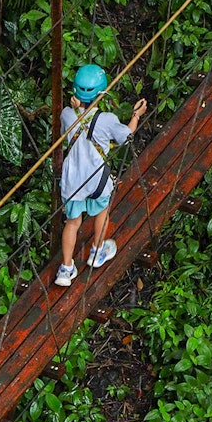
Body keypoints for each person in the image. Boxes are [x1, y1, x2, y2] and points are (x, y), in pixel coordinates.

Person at [55, 64, 147, 287]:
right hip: (96, 178)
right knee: (102, 210)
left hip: (72, 179)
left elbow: (64, 133)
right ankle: (97, 250)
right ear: (102, 93)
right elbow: (126, 136)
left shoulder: (66, 114)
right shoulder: (106, 119)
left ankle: (66, 269)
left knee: (72, 222)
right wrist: (136, 116)